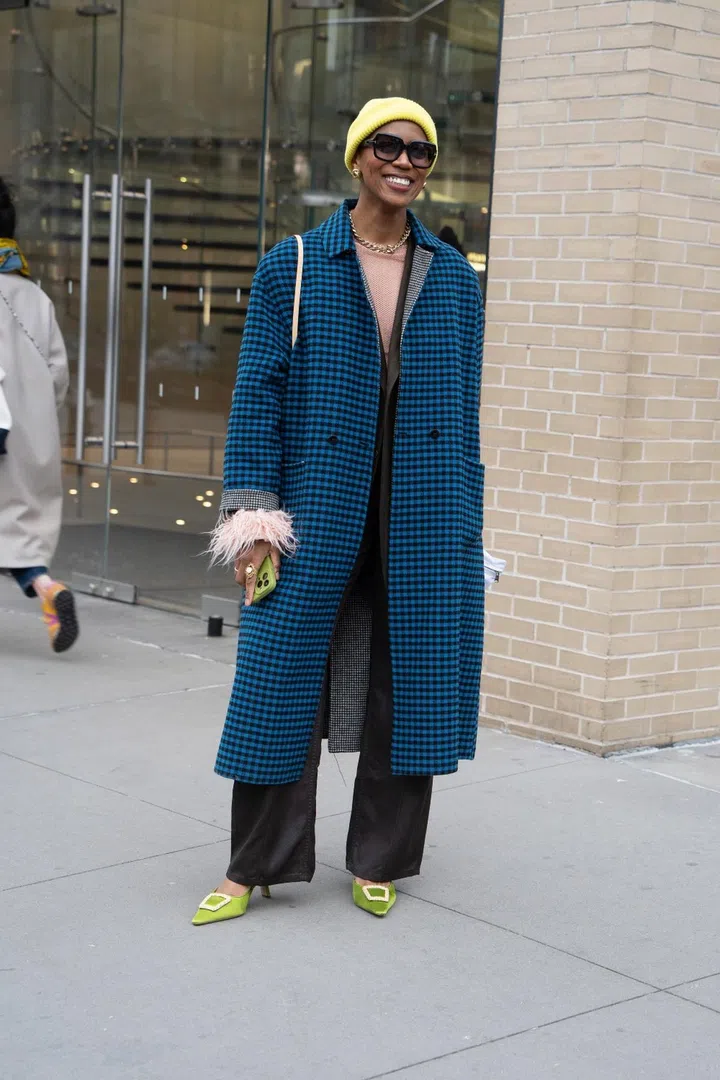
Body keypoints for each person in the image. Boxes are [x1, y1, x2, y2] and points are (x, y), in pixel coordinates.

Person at [193, 97, 485, 925]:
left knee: (411, 684)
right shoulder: (295, 264)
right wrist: (252, 516)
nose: (406, 161)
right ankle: (253, 865)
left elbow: (463, 414)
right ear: (358, 158)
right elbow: (256, 400)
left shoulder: (455, 279)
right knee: (280, 682)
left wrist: (468, 519)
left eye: (421, 149)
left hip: (423, 510)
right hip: (317, 508)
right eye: (388, 145)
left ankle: (380, 858)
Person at [0, 178, 79, 653]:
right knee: (18, 531)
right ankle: (48, 588)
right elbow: (57, 373)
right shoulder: (35, 296)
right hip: (31, 434)